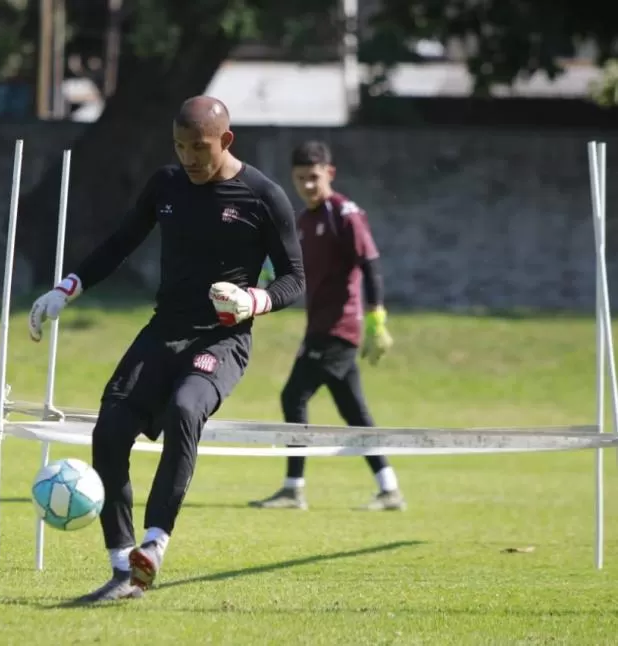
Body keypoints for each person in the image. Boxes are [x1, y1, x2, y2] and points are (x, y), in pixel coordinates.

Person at [28, 96, 305, 603]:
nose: (189, 158)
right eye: (179, 147)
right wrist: (66, 289)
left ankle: (155, 543)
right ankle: (123, 568)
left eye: (199, 147)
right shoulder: (166, 185)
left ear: (225, 140)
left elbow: (294, 279)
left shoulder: (263, 196)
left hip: (222, 339)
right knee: (110, 429)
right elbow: (119, 243)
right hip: (164, 331)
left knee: (184, 408)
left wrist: (253, 300)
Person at [248, 140, 406, 512]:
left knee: (293, 397)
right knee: (354, 412)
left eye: (314, 177)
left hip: (338, 329)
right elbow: (291, 269)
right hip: (318, 327)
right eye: (300, 178)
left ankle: (293, 489)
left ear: (329, 174)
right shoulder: (304, 221)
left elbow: (370, 266)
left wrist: (376, 321)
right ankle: (389, 489)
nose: (307, 185)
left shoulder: (344, 214)